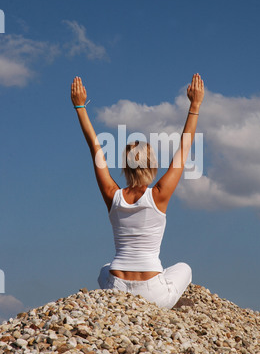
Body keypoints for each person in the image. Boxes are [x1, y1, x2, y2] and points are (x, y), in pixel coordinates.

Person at [71, 73, 204, 309]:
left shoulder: (113, 194)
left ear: (125, 167)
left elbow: (95, 148)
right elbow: (183, 150)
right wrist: (195, 105)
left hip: (117, 289)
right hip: (153, 293)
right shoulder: (159, 194)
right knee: (185, 268)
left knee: (104, 269)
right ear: (153, 166)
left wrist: (80, 106)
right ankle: (166, 298)